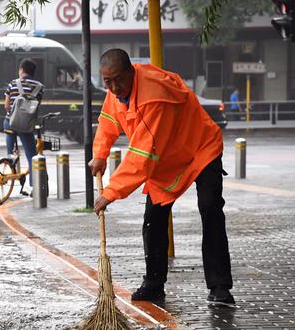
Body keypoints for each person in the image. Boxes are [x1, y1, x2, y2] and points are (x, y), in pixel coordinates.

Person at [88, 49, 234, 305]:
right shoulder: (117, 91)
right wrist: (100, 153)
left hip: (200, 149)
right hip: (165, 157)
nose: (113, 87)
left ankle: (220, 286)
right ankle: (154, 283)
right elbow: (109, 120)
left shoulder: (152, 98)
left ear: (131, 72)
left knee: (210, 209)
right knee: (153, 218)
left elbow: (141, 157)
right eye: (107, 82)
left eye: (118, 80)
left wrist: (110, 193)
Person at [4, 58, 44, 196]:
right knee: (32, 156)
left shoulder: (13, 83)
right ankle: (33, 187)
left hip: (11, 122)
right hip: (26, 126)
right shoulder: (39, 87)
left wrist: (10, 114)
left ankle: (10, 156)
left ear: (21, 70)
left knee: (9, 128)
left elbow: (7, 105)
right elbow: (36, 106)